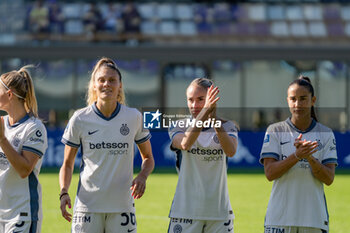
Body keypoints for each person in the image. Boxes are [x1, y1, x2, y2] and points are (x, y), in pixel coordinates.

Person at [59, 57, 154, 233]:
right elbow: (67, 163)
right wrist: (64, 191)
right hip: (87, 208)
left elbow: (148, 158)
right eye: (101, 80)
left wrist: (143, 176)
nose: (106, 84)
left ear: (120, 86)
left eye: (112, 80)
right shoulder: (80, 118)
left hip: (122, 207)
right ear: (94, 85)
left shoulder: (134, 117)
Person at [260, 76, 337, 233]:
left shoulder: (326, 134)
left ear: (313, 100)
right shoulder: (275, 131)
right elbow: (270, 173)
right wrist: (296, 156)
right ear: (287, 101)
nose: (298, 104)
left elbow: (329, 178)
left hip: (314, 220)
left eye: (303, 99)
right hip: (279, 220)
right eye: (293, 99)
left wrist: (309, 158)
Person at [168, 78, 238, 233]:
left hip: (219, 213)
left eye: (200, 100)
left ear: (211, 99)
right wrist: (205, 112)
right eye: (190, 100)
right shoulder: (179, 125)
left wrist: (214, 121)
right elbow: (186, 143)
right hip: (185, 211)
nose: (194, 105)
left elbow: (231, 151)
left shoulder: (227, 126)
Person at [0, 66, 48, 233]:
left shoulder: (34, 127)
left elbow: (24, 169)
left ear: (9, 94)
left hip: (22, 213)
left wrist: (2, 139)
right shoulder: (1, 122)